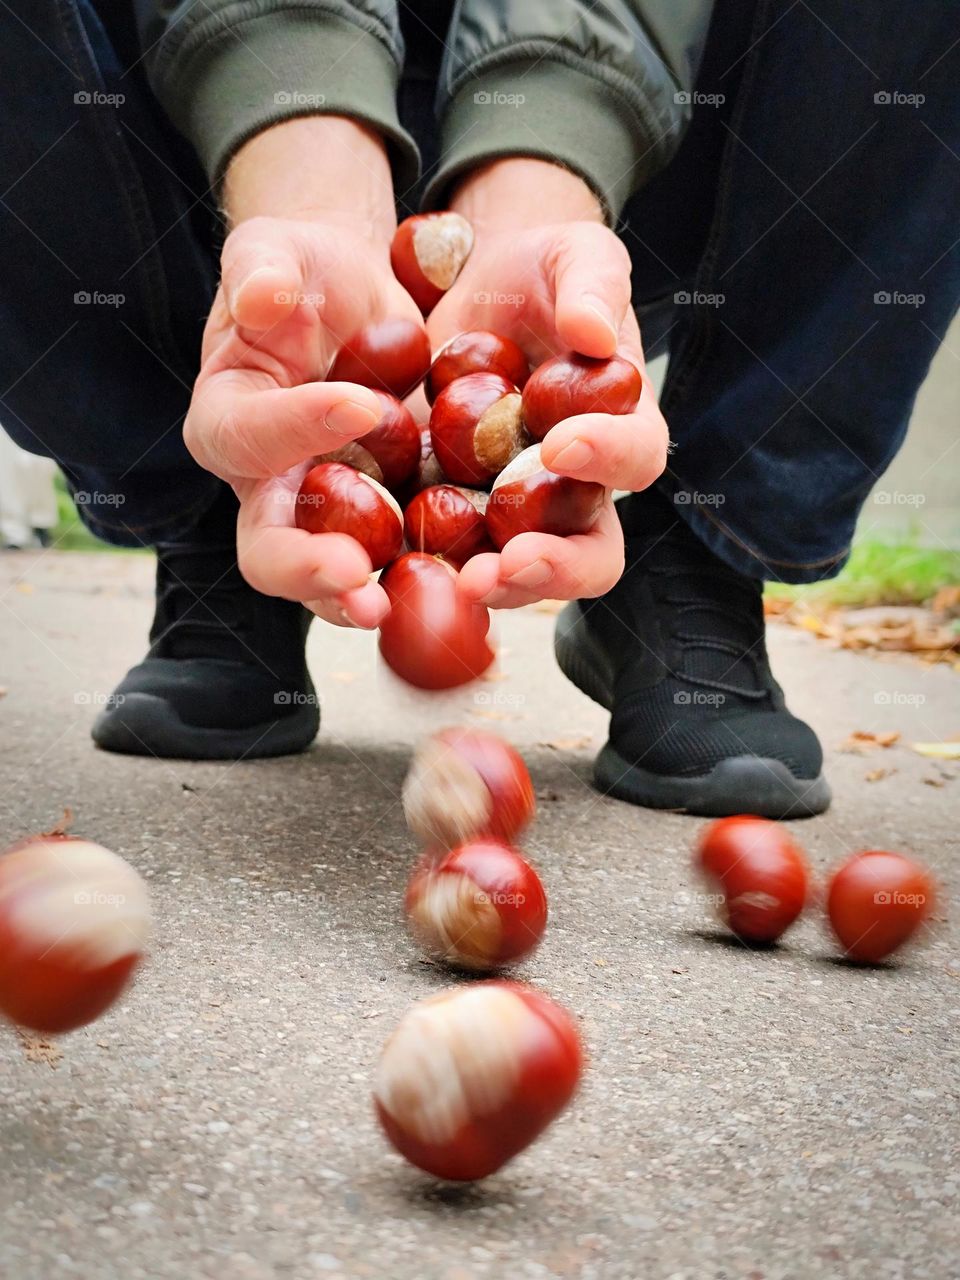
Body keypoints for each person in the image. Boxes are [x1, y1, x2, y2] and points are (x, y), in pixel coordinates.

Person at [0, 1, 956, 817]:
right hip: (209, 141)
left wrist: (541, 173)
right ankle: (225, 503)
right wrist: (307, 172)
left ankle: (701, 554)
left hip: (632, 149)